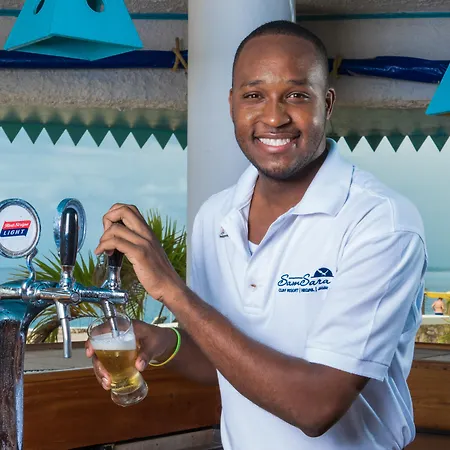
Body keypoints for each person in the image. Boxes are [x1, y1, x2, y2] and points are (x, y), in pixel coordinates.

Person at [86, 21, 428, 449]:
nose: (274, 117)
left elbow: (316, 407)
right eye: (254, 96)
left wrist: (171, 290)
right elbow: (222, 361)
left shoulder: (380, 222)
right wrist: (162, 342)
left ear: (327, 103)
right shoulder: (215, 217)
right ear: (231, 105)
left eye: (296, 95)